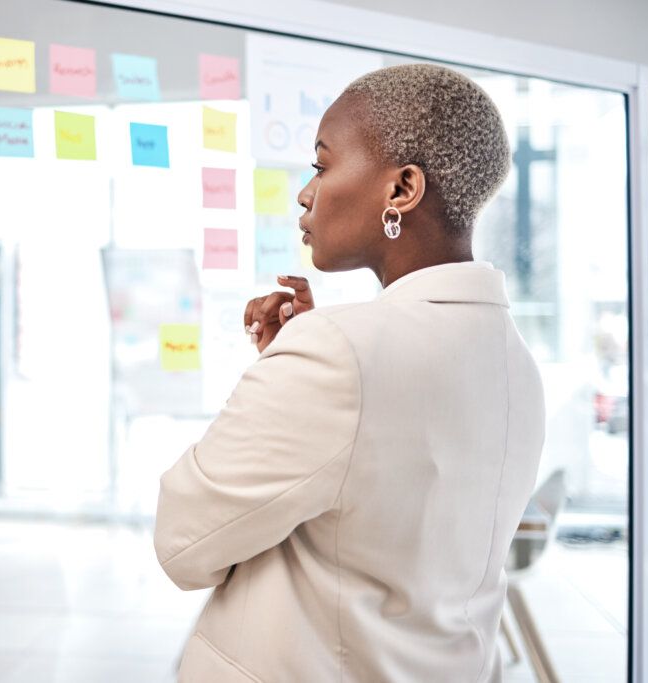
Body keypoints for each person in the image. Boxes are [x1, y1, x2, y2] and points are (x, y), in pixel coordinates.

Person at [154, 63, 546, 682]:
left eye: (321, 165)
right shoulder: (516, 365)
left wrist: (298, 366)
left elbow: (183, 542)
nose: (305, 194)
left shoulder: (337, 353)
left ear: (402, 189)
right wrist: (293, 365)